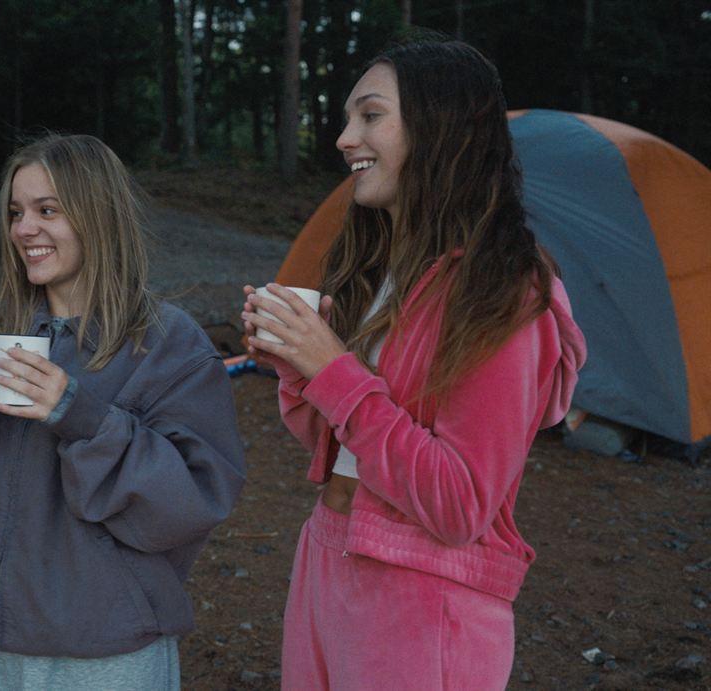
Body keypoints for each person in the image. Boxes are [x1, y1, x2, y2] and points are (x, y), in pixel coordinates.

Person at [240, 41, 587, 690]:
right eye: (348, 118)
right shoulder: (384, 270)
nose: (345, 138)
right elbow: (339, 441)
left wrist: (334, 368)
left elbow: (460, 503)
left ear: (441, 127)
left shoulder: (505, 291)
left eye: (370, 115)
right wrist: (296, 361)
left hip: (421, 596)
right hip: (326, 558)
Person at [0, 134, 246, 689]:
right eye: (16, 212)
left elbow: (190, 504)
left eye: (47, 210)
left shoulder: (167, 343)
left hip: (104, 648)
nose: (23, 229)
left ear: (98, 215)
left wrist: (81, 416)